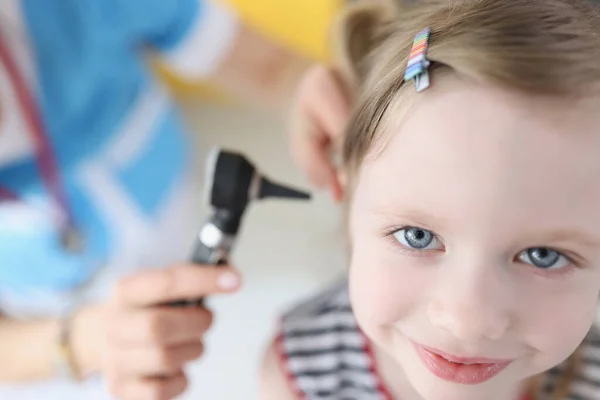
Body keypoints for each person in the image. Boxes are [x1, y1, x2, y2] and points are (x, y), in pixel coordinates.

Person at [0, 0, 340, 399]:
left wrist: (334, 111)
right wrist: (77, 344)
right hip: (40, 318)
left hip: (172, 208)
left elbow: (276, 71)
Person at [265, 0, 600, 399]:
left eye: (544, 255)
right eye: (416, 236)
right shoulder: (302, 376)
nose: (466, 320)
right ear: (348, 190)